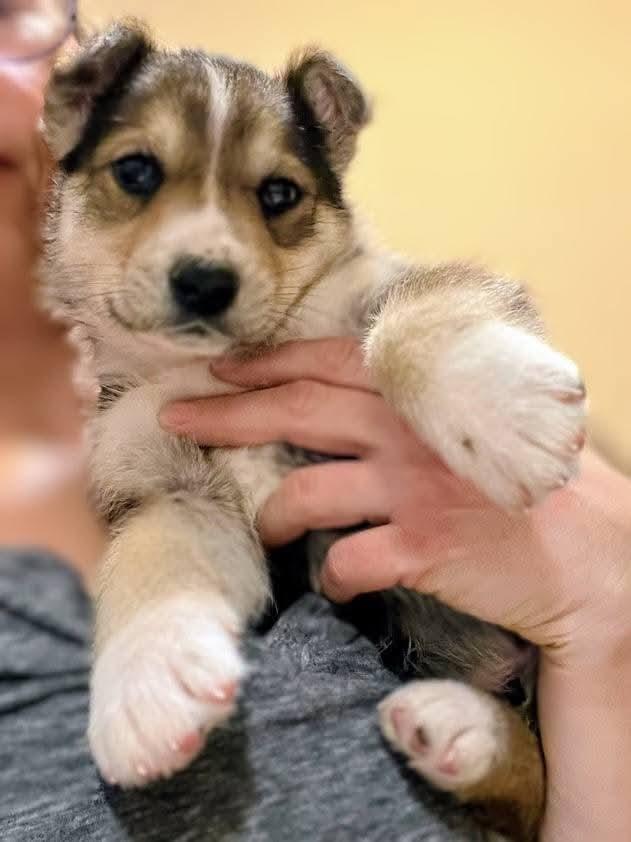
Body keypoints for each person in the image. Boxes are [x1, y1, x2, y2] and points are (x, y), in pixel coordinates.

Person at [1, 4, 629, 840]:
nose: (210, 254)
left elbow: (428, 301)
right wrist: (157, 628)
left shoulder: (335, 300)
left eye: (275, 196)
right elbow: (184, 518)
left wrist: (443, 362)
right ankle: (507, 764)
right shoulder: (126, 424)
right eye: (141, 174)